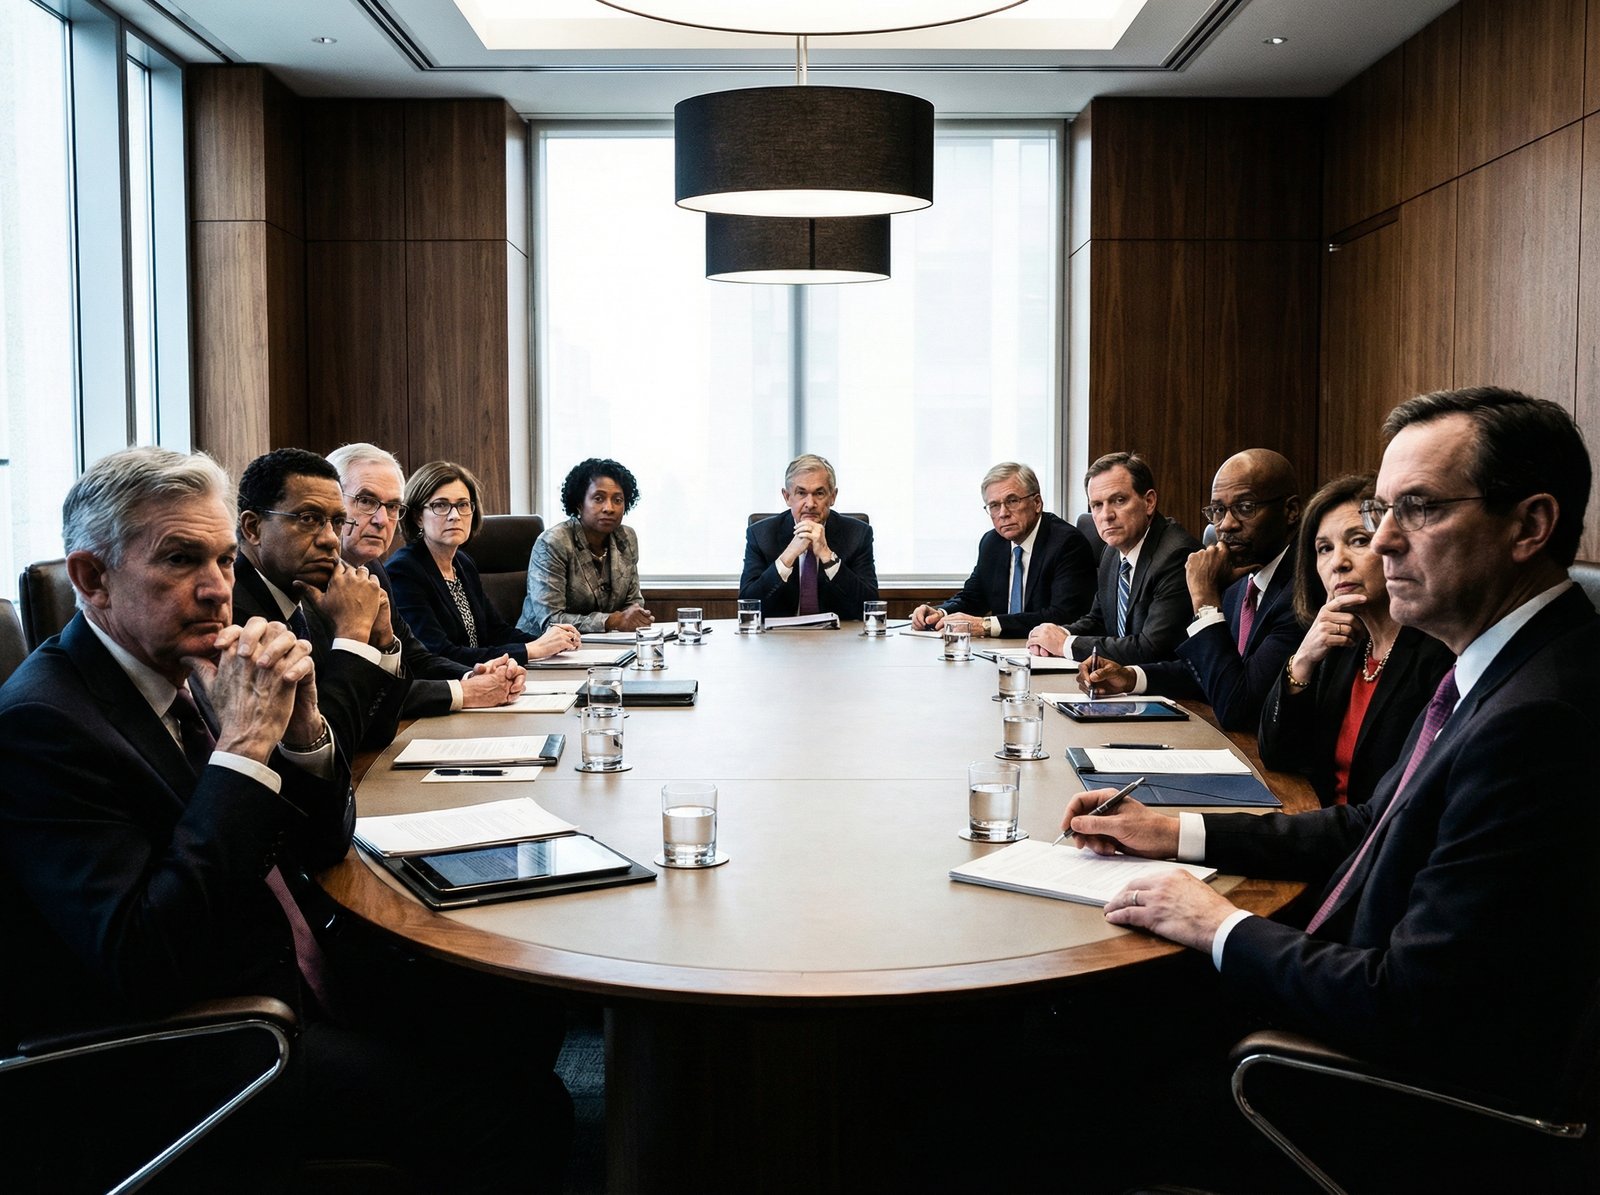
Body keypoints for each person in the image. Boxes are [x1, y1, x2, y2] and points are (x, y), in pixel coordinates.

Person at [0, 446, 570, 1191]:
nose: (217, 588)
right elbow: (145, 955)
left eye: (221, 561)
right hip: (211, 1044)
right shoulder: (44, 723)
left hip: (298, 964)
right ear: (92, 578)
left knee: (526, 1011)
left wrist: (302, 734)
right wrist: (243, 746)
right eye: (179, 560)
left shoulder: (188, 668)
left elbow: (321, 842)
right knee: (512, 1115)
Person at [1062, 387, 1599, 1120]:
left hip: (1379, 1093)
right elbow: (1368, 823)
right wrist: (1169, 829)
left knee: (1084, 1050)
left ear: (1530, 525)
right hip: (1336, 983)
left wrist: (1216, 923)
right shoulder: (1502, 668)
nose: (1382, 543)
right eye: (1383, 511)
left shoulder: (1540, 718)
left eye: (1420, 508)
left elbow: (1409, 1003)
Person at [1258, 472, 1454, 807]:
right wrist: (1302, 661)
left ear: (1395, 546)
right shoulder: (1342, 647)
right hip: (1321, 823)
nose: (1338, 563)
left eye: (1359, 541)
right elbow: (1277, 755)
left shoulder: (1439, 655)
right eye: (1324, 548)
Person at [1079, 448, 1303, 730]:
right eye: (1218, 510)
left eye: (1246, 507)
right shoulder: (1240, 576)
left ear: (1290, 511)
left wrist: (1206, 600)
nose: (1227, 524)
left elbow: (1239, 708)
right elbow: (1208, 671)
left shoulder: (1302, 594)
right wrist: (1131, 677)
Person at [327, 442, 528, 713]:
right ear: (331, 504)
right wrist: (466, 691)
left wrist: (473, 675)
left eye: (392, 506)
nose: (381, 519)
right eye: (366, 501)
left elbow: (415, 658)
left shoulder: (375, 570)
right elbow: (353, 696)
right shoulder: (314, 579)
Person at [231, 447, 407, 755]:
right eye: (309, 519)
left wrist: (383, 642)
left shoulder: (318, 595)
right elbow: (325, 754)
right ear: (253, 528)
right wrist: (352, 637)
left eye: (337, 521)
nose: (330, 539)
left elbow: (377, 733)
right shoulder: (235, 615)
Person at [385, 458, 580, 667]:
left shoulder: (462, 564)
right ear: (418, 517)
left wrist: (552, 639)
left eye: (462, 505)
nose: (454, 516)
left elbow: (496, 632)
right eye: (440, 505)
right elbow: (438, 654)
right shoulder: (404, 571)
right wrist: (532, 650)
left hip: (484, 675)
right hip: (449, 682)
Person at [1025, 451, 1201, 664]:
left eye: (1119, 500)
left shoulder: (1176, 555)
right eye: (1097, 505)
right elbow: (1098, 620)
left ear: (1149, 502)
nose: (1106, 515)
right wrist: (1055, 634)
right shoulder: (1111, 552)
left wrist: (1065, 644)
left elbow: (1152, 648)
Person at [910, 462, 1095, 638]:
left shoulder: (1067, 543)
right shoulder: (992, 542)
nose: (1003, 513)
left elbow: (1063, 615)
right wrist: (941, 613)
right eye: (994, 506)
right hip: (1001, 650)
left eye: (1012, 501)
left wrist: (987, 625)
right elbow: (974, 596)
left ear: (1037, 503)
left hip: (1050, 652)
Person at [520, 457, 652, 635]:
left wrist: (633, 618)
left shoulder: (626, 537)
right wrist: (611, 621)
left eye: (618, 500)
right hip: (541, 644)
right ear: (579, 504)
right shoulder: (553, 542)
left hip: (606, 643)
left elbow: (633, 602)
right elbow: (551, 620)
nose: (609, 508)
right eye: (598, 498)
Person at [740, 453, 879, 620]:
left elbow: (869, 607)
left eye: (819, 493)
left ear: (832, 497)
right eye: (801, 493)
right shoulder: (761, 535)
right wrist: (788, 556)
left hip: (839, 635)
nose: (810, 504)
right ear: (787, 497)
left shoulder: (857, 534)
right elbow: (748, 607)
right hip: (779, 635)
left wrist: (828, 557)